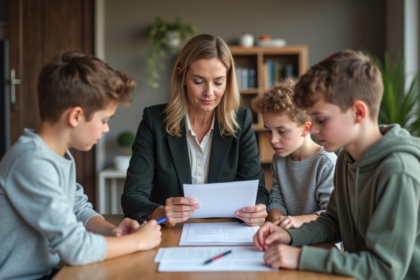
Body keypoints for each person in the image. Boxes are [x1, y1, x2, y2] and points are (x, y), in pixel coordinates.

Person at [253, 50, 420, 279]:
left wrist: (301, 257)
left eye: (321, 119)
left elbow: (386, 268)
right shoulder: (346, 159)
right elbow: (333, 222)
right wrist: (290, 236)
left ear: (358, 112)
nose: (314, 129)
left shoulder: (398, 170)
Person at [0, 51, 162, 280]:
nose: (106, 129)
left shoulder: (58, 156)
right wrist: (137, 241)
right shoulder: (31, 162)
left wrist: (112, 230)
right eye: (104, 120)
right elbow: (76, 248)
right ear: (76, 116)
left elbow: (78, 208)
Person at [121, 34, 269, 227]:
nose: (209, 92)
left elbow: (258, 191)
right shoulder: (154, 121)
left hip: (223, 230)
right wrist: (158, 212)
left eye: (218, 82)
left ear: (228, 79)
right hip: (169, 234)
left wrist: (257, 209)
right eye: (199, 81)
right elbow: (132, 196)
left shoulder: (242, 121)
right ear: (181, 76)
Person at [251, 78, 336, 229]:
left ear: (305, 129)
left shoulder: (326, 162)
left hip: (322, 242)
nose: (273, 140)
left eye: (282, 131)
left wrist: (296, 221)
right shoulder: (280, 158)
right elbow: (277, 199)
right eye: (268, 131)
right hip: (290, 236)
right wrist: (277, 220)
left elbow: (331, 215)